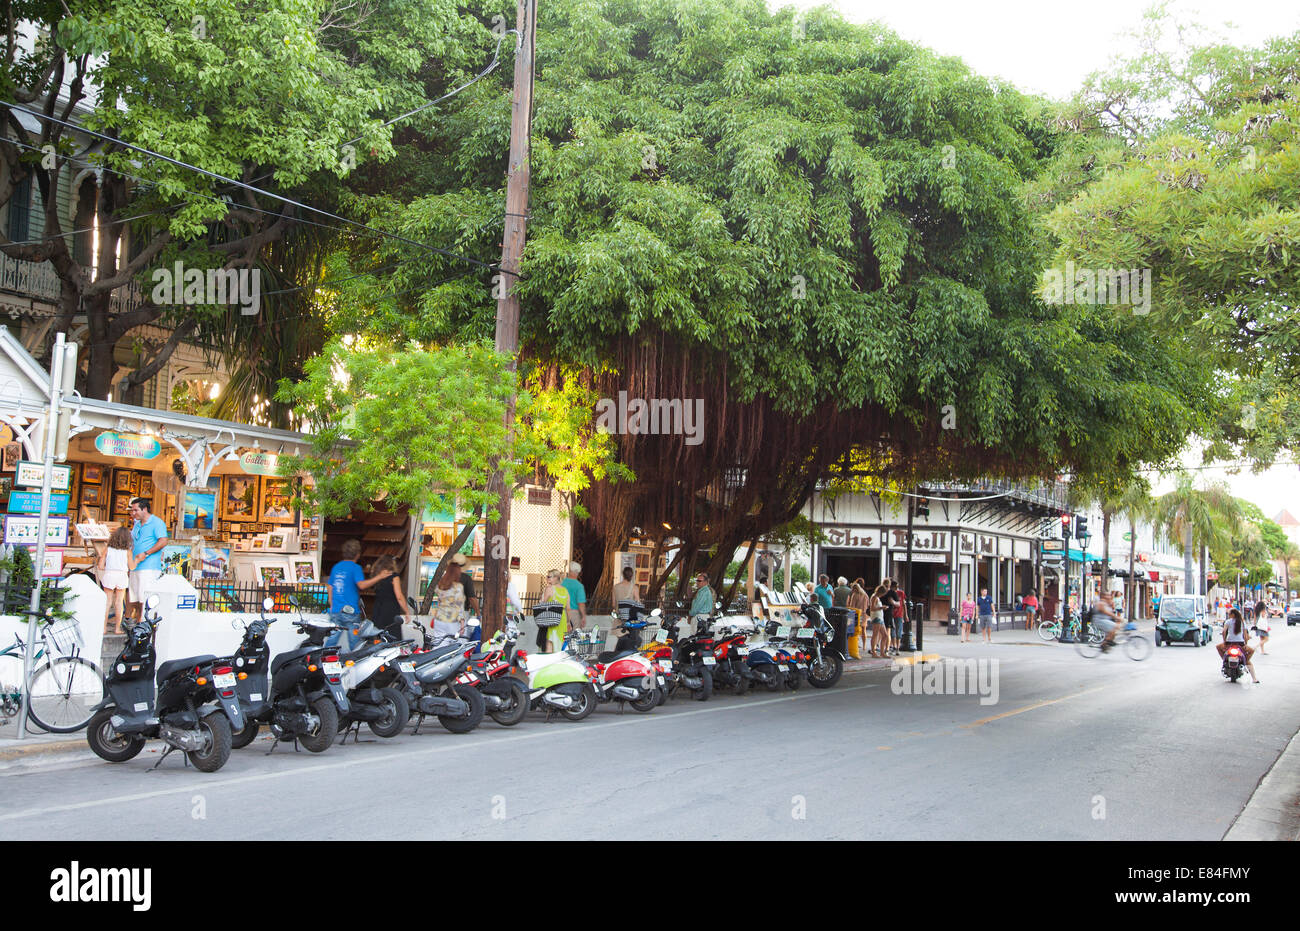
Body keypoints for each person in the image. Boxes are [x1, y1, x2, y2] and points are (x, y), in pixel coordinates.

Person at [327, 539, 394, 649]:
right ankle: (355, 664)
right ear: (358, 554)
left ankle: (322, 662)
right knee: (355, 644)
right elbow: (361, 585)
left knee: (331, 641)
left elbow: (330, 586)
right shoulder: (355, 568)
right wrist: (379, 577)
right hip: (350, 611)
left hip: (336, 610)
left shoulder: (337, 567)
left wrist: (331, 603)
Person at [127, 498, 169, 623]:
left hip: (149, 566)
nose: (133, 513)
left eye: (136, 510)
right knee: (135, 597)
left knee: (144, 596)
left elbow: (163, 540)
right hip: (136, 565)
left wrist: (146, 553)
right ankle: (138, 622)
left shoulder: (157, 522)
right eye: (132, 510)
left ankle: (143, 624)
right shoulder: (137, 524)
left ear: (144, 509)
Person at [431, 552, 472, 644]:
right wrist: (462, 624)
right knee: (453, 648)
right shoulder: (458, 587)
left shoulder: (440, 584)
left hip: (439, 620)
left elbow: (439, 603)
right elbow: (459, 608)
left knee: (438, 647)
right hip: (452, 621)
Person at [99, 526, 133, 634]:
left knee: (107, 602)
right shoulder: (127, 551)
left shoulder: (107, 549)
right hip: (122, 576)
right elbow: (131, 567)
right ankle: (117, 629)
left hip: (109, 574)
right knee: (119, 603)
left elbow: (100, 566)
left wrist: (108, 567)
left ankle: (103, 628)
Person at [368, 555, 410, 642]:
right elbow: (399, 596)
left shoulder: (377, 577)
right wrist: (407, 611)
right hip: (391, 610)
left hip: (378, 609)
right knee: (392, 638)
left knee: (379, 637)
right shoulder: (394, 576)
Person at [1217, 608, 1259, 683]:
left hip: (1229, 643)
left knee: (1218, 647)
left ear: (1233, 614)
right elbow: (1245, 635)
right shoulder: (1242, 622)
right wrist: (1246, 644)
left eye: (1229, 614)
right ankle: (1252, 675)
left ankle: (1224, 659)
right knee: (1252, 651)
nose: (1228, 615)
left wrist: (1224, 642)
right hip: (1240, 644)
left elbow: (1224, 632)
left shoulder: (1228, 622)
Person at [561, 561, 587, 634]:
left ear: (570, 571)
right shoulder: (579, 586)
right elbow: (581, 603)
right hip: (573, 614)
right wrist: (583, 616)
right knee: (574, 637)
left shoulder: (562, 583)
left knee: (562, 635)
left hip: (562, 612)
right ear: (578, 572)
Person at [847, 579, 869, 658]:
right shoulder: (865, 594)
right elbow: (868, 604)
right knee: (864, 630)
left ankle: (857, 645)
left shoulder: (855, 595)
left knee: (856, 630)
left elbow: (852, 606)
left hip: (856, 615)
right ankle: (864, 646)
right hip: (864, 613)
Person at [869, 583, 889, 657]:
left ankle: (882, 652)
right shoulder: (874, 597)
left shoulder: (877, 597)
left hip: (880, 617)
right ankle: (873, 652)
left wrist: (881, 607)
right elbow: (872, 608)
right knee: (875, 634)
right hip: (876, 617)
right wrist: (881, 608)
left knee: (885, 635)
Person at [890, 579, 908, 651]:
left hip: (899, 614)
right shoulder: (890, 593)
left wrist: (905, 615)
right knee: (892, 632)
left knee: (899, 631)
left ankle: (897, 647)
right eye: (895, 586)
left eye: (897, 586)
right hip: (891, 615)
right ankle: (894, 646)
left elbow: (904, 604)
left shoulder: (901, 593)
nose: (896, 588)